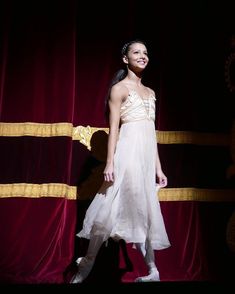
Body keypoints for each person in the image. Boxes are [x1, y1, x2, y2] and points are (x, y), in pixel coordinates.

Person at [70, 39, 170, 283]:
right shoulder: (119, 89)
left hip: (145, 159)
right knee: (108, 206)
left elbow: (151, 134)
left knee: (145, 208)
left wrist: (158, 168)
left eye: (145, 52)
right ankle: (86, 265)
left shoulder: (151, 92)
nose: (142, 56)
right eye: (137, 52)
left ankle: (152, 270)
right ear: (126, 59)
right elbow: (113, 130)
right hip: (127, 154)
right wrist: (110, 163)